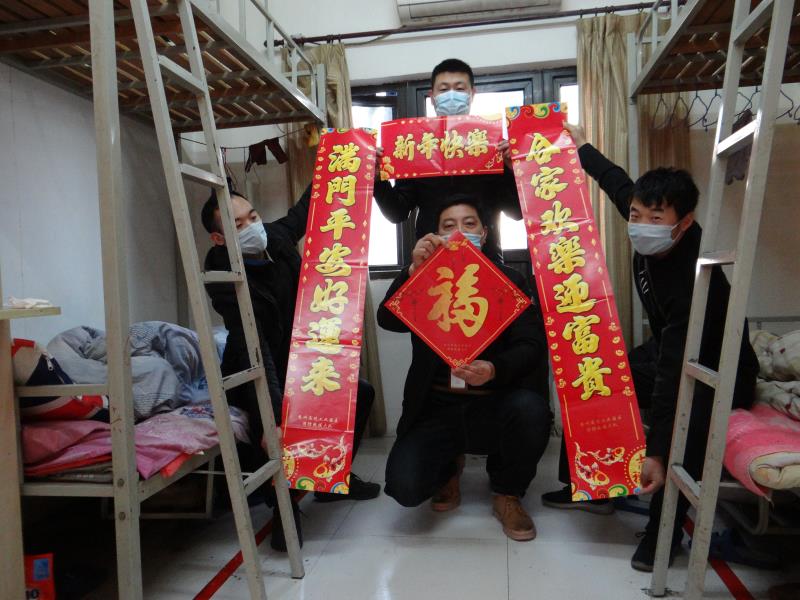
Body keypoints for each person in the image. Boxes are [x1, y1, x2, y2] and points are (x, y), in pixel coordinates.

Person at [541, 123, 759, 571]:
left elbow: (673, 377)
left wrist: (655, 452)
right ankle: (594, 487)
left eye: (655, 219)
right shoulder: (647, 219)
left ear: (684, 223)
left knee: (684, 429)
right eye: (636, 215)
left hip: (718, 369)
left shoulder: (690, 278)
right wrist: (580, 145)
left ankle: (664, 534)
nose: (640, 225)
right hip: (669, 349)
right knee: (594, 378)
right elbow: (617, 182)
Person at [201, 184, 380, 551]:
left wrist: (347, 160)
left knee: (360, 393)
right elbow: (255, 347)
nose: (252, 227)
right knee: (276, 424)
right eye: (238, 225)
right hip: (252, 368)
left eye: (253, 217)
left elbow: (309, 205)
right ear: (219, 238)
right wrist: (273, 416)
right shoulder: (222, 275)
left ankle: (331, 481)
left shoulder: (275, 238)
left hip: (297, 357)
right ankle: (284, 508)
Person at [377, 194, 552, 542]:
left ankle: (506, 492)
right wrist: (412, 271)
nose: (459, 232)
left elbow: (532, 345)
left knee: (531, 410)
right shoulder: (424, 278)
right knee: (405, 488)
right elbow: (387, 319)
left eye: (469, 224)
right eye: (449, 226)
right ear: (435, 236)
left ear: (484, 233)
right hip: (438, 408)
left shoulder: (510, 280)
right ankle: (448, 469)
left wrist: (494, 368)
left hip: (495, 403)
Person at [373, 58, 522, 262]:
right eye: (444, 89)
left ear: (472, 95)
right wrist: (377, 180)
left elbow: (516, 213)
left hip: (487, 261)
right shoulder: (415, 148)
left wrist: (515, 170)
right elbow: (397, 212)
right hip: (430, 260)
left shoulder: (493, 148)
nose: (452, 95)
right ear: (432, 97)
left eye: (459, 88)